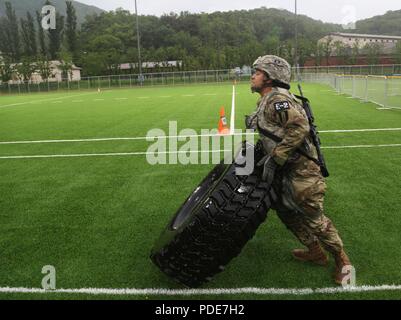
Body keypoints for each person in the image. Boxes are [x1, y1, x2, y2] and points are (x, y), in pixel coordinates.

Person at [246, 55, 353, 285]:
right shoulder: (266, 101)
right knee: (285, 210)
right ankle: (315, 252)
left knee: (315, 218)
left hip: (303, 172)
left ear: (269, 77)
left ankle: (342, 261)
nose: (252, 76)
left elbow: (300, 127)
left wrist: (277, 157)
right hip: (287, 170)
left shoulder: (278, 100)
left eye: (257, 72)